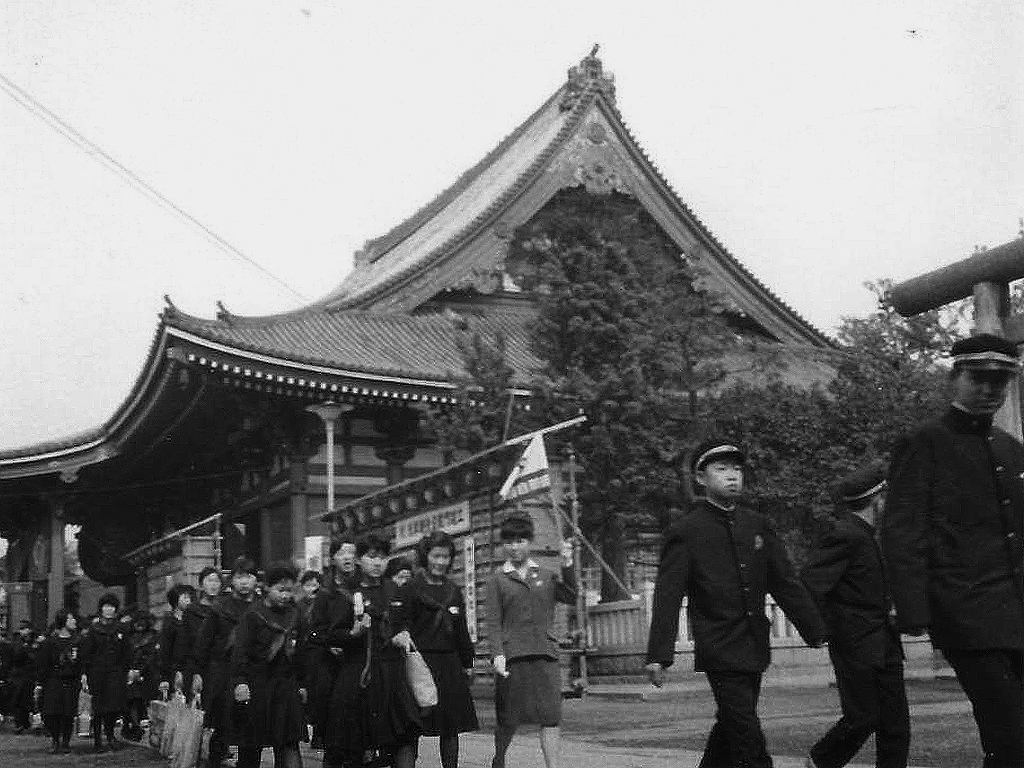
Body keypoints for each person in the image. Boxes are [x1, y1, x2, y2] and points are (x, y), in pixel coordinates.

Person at [882, 333, 1024, 768]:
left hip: (1017, 612)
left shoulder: (1011, 449)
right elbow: (903, 531)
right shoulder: (924, 443)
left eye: (999, 382)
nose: (989, 390)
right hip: (965, 613)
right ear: (955, 378)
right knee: (1010, 734)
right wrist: (914, 612)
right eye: (978, 379)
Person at [645, 438, 826, 768]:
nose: (732, 476)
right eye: (722, 469)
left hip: (754, 643)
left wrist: (814, 629)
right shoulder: (686, 531)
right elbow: (667, 596)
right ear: (701, 478)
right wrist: (659, 655)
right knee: (746, 733)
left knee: (732, 726)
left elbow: (784, 582)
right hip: (719, 646)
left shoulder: (756, 524)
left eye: (737, 470)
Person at [801, 462, 909, 768]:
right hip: (856, 644)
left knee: (896, 726)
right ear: (877, 500)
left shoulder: (870, 536)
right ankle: (819, 762)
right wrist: (828, 628)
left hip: (885, 643)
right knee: (863, 717)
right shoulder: (845, 535)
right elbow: (810, 583)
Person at [322, 532, 421, 768]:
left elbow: (405, 621)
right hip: (359, 676)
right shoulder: (346, 592)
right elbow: (332, 634)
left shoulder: (394, 589)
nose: (377, 563)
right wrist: (354, 633)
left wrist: (404, 633)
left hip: (393, 676)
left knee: (405, 739)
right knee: (357, 746)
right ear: (359, 559)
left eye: (382, 557)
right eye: (371, 557)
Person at [487, 514, 576, 768]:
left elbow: (571, 596)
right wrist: (497, 654)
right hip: (513, 658)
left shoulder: (546, 575)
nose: (515, 547)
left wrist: (567, 564)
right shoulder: (497, 580)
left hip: (545, 655)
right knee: (508, 718)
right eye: (509, 542)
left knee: (550, 717)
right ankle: (499, 758)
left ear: (530, 541)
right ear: (503, 545)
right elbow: (493, 622)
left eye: (521, 540)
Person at [400, 530, 478, 768]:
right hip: (418, 665)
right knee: (412, 727)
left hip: (449, 665)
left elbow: (461, 630)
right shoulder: (411, 588)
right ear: (426, 556)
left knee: (450, 728)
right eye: (436, 556)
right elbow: (402, 627)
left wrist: (468, 663)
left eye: (445, 557)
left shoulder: (453, 590)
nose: (441, 562)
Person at [231, 561, 309, 768]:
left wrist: (302, 684)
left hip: (286, 687)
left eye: (289, 591)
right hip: (258, 687)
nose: (285, 595)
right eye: (280, 590)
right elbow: (241, 651)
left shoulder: (295, 615)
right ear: (267, 587)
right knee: (251, 747)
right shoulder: (253, 615)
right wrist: (240, 682)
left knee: (289, 744)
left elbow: (302, 653)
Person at [192, 557, 258, 768]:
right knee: (223, 725)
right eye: (239, 577)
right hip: (223, 673)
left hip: (253, 673)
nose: (244, 582)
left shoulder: (262, 607)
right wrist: (198, 673)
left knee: (250, 728)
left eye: (249, 576)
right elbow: (203, 643)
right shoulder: (220, 607)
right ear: (232, 580)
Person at [308, 533, 358, 756]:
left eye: (351, 553)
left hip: (357, 658)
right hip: (331, 662)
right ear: (333, 558)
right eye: (342, 553)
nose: (347, 557)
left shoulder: (363, 586)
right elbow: (315, 630)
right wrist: (329, 645)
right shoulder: (325, 593)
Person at [80, 592, 130, 752]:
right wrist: (85, 673)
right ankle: (97, 740)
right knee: (98, 708)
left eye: (112, 607)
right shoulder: (93, 629)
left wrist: (126, 670)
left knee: (113, 707)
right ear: (101, 609)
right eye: (106, 606)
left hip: (116, 673)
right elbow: (87, 653)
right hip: (97, 673)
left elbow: (126, 652)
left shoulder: (121, 629)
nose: (109, 610)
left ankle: (110, 735)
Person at [33, 610, 82, 754]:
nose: (74, 621)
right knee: (52, 712)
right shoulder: (50, 643)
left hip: (71, 680)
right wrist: (40, 683)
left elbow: (81, 661)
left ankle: (66, 742)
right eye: (71, 619)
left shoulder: (78, 641)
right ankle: (55, 739)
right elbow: (43, 664)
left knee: (68, 713)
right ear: (63, 621)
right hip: (53, 681)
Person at [182, 567, 223, 700]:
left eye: (216, 581)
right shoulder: (191, 611)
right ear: (201, 584)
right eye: (209, 580)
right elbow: (185, 643)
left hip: (220, 667)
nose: (213, 584)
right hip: (197, 667)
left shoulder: (225, 609)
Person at [124, 611, 159, 741]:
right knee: (132, 696)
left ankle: (137, 725)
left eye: (143, 622)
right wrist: (130, 671)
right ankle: (133, 725)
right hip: (129, 674)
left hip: (147, 674)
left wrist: (139, 671)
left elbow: (152, 656)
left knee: (139, 697)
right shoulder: (128, 636)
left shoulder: (153, 636)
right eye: (137, 622)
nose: (139, 625)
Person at [158, 584, 196, 700]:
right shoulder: (170, 622)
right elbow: (165, 650)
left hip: (192, 668)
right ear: (175, 599)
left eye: (190, 597)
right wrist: (165, 676)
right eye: (185, 597)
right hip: (175, 670)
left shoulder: (194, 620)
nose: (188, 600)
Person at [8, 621, 36, 734]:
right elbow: (17, 656)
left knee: (25, 701)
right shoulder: (18, 642)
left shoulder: (25, 641)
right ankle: (19, 724)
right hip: (19, 676)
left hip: (25, 675)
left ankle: (24, 723)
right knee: (19, 700)